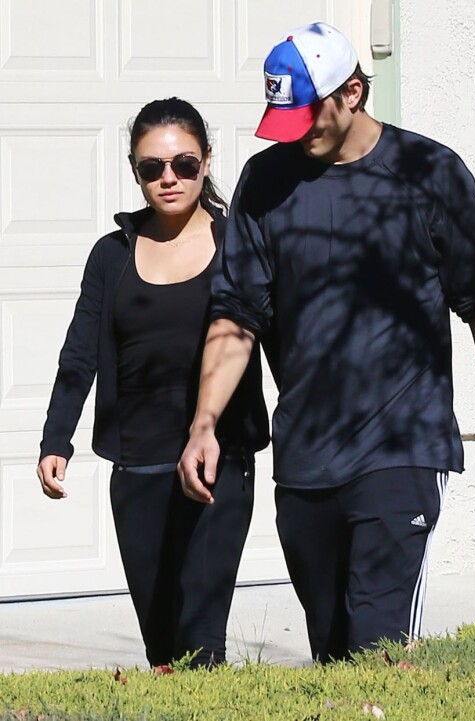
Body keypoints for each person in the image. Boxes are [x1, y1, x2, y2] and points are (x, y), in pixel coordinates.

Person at [178, 23, 475, 663]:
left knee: (378, 653)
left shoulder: (430, 173)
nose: (298, 133)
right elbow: (237, 315)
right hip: (305, 459)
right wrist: (204, 422)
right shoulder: (266, 184)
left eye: (308, 115)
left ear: (352, 91)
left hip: (401, 449)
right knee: (332, 655)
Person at [37, 97, 269, 669]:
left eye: (184, 164)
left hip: (220, 461)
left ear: (207, 161)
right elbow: (78, 354)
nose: (169, 178)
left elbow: (278, 337)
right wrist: (54, 440)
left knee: (201, 641)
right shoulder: (110, 256)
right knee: (162, 646)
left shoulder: (237, 244)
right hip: (138, 464)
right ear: (136, 171)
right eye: (152, 168)